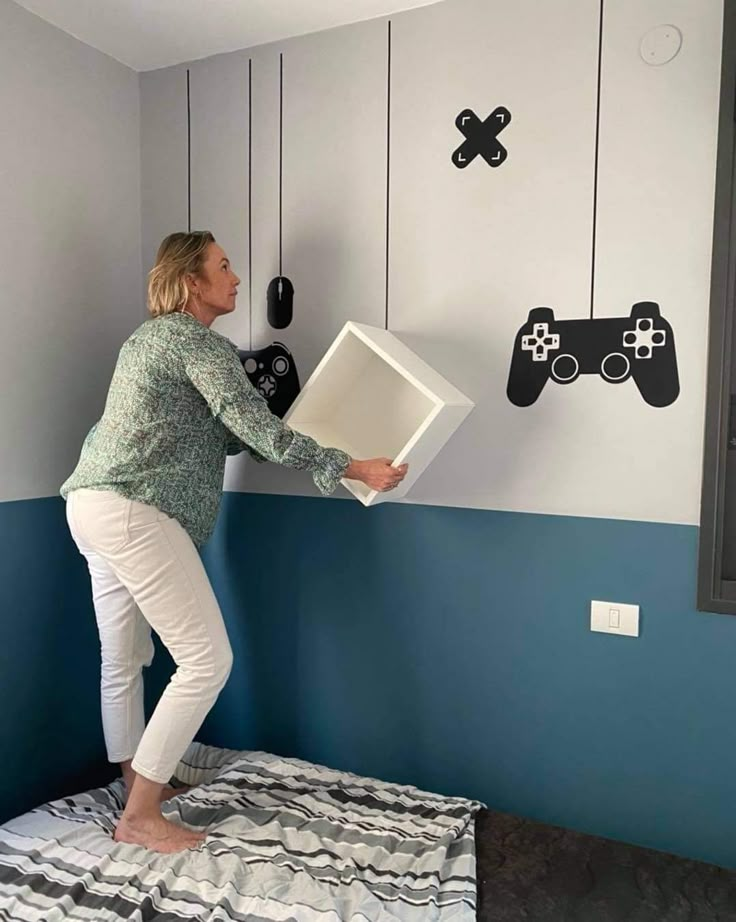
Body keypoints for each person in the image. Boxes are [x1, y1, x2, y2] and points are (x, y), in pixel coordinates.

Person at [61, 231, 408, 853]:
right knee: (206, 660)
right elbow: (257, 432)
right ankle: (140, 815)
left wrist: (272, 425)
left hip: (89, 505)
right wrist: (354, 465)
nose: (237, 278)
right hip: (135, 511)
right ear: (192, 282)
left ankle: (135, 786)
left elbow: (216, 435)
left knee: (124, 657)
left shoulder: (147, 341)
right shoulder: (195, 341)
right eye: (224, 267)